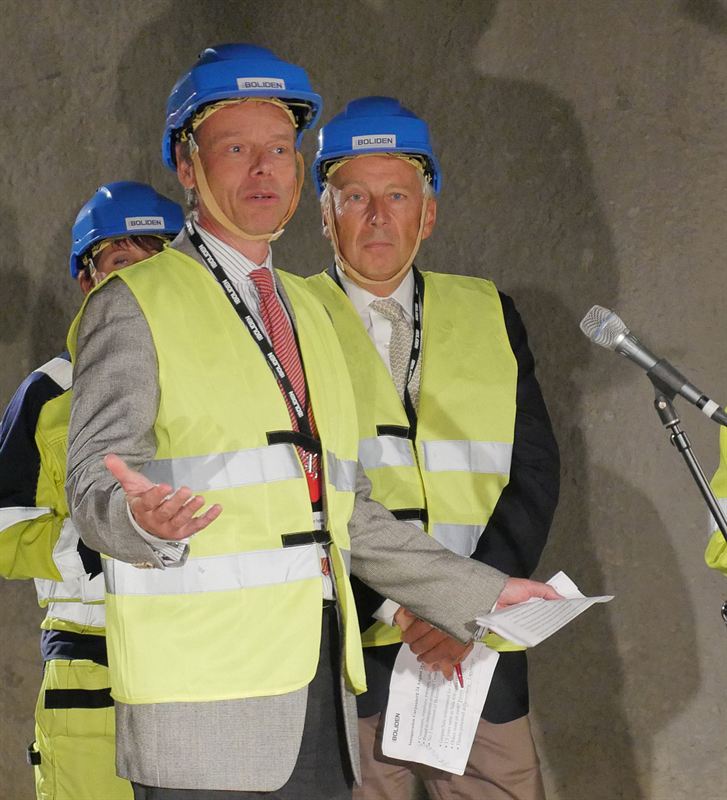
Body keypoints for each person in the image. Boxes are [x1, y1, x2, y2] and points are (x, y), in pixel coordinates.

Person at [64, 45, 560, 800]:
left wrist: (481, 594)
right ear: (187, 166)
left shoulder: (306, 312)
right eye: (235, 150)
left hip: (318, 696)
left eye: (278, 149)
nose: (262, 169)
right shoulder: (134, 304)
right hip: (202, 707)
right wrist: (139, 520)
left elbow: (345, 508)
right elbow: (93, 485)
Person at [306, 96, 560, 800]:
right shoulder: (289, 319)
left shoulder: (489, 312)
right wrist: (406, 609)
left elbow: (534, 471)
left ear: (429, 213)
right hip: (350, 653)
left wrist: (467, 609)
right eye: (354, 196)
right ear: (324, 214)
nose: (377, 216)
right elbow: (297, 489)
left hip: (477, 658)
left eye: (396, 195)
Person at [0, 181, 183, 800]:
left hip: (198, 657)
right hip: (88, 664)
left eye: (156, 262)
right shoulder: (47, 394)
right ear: (88, 279)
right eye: (120, 263)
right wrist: (98, 544)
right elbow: (4, 531)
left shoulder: (213, 382)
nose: (139, 281)